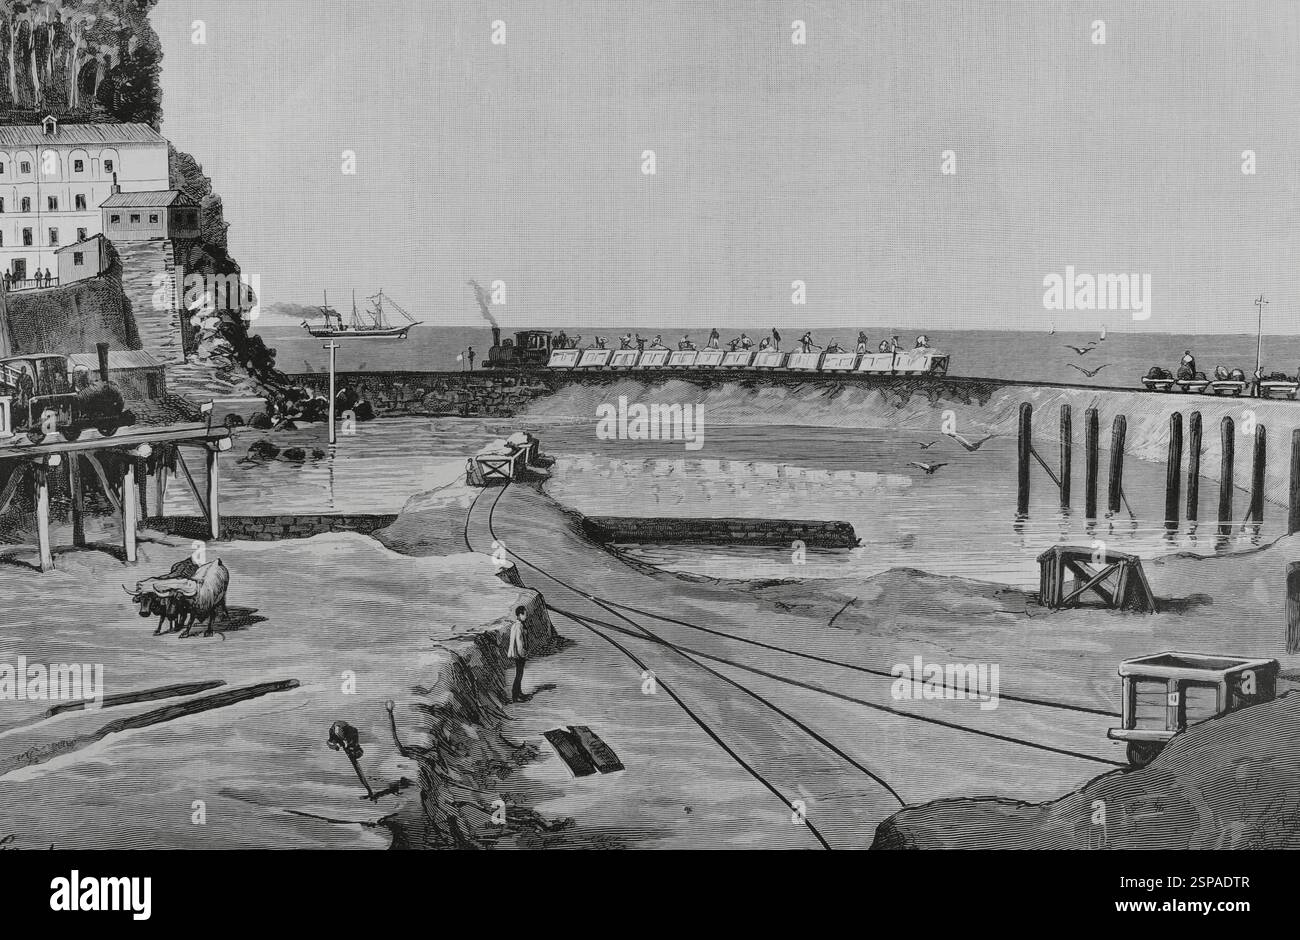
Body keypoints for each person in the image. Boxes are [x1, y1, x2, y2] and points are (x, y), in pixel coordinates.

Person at [508, 604, 529, 703]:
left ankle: (518, 693)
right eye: (525, 614)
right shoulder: (519, 626)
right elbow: (519, 642)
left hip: (516, 653)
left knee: (519, 674)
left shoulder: (515, 625)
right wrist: (523, 654)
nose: (526, 616)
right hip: (519, 654)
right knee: (519, 675)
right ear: (520, 615)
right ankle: (516, 695)